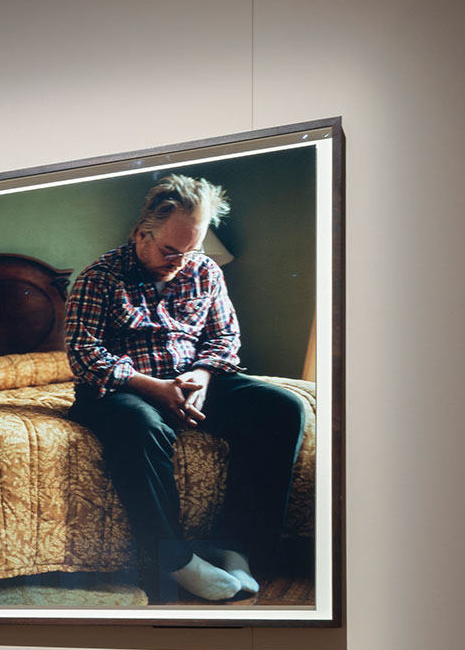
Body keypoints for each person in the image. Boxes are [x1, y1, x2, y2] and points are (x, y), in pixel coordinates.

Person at [62, 173, 308, 603]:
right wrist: (154, 388)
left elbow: (225, 337)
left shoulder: (205, 270)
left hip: (194, 378)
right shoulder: (98, 278)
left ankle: (237, 547)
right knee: (142, 427)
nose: (179, 262)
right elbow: (85, 355)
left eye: (190, 251)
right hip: (122, 387)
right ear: (141, 234)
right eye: (169, 251)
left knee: (283, 408)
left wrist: (203, 376)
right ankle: (175, 561)